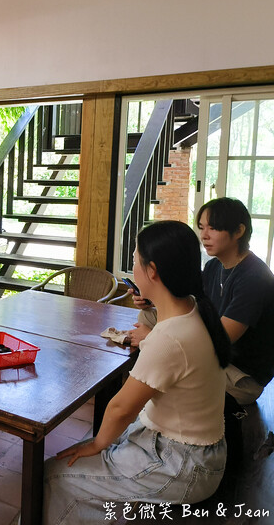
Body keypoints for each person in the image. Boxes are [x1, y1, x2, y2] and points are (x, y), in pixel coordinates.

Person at [43, 220, 231, 523]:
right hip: (191, 449)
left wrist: (97, 444)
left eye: (134, 261)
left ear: (152, 271)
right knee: (84, 458)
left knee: (56, 474)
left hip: (182, 463)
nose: (132, 270)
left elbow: (120, 408)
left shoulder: (170, 337)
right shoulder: (195, 309)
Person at [128, 198, 274, 406]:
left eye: (213, 228)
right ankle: (154, 368)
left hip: (238, 376)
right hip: (212, 356)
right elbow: (188, 303)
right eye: (202, 228)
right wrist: (152, 300)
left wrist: (152, 339)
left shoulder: (255, 278)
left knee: (156, 351)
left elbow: (219, 341)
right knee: (148, 315)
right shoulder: (215, 266)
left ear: (239, 231)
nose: (204, 236)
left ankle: (150, 376)